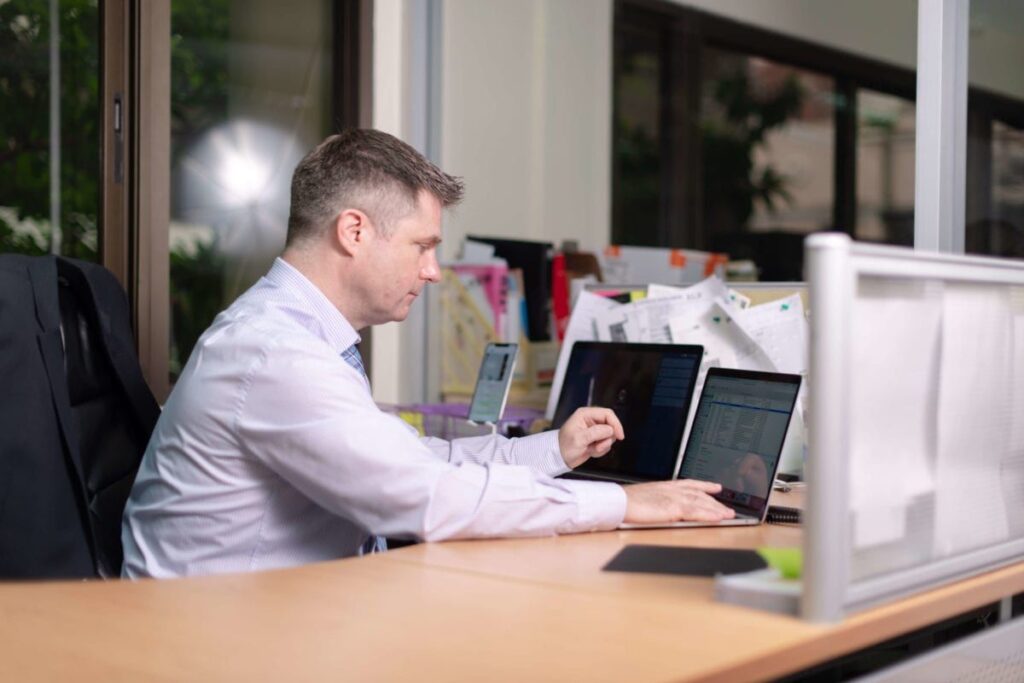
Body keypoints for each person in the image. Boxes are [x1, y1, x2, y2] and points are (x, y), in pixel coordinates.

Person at [122, 129, 733, 578]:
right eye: (422, 246)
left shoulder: (297, 336)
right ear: (354, 232)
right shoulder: (275, 354)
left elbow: (414, 459)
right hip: (223, 642)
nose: (434, 271)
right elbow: (425, 495)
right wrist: (625, 502)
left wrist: (554, 450)